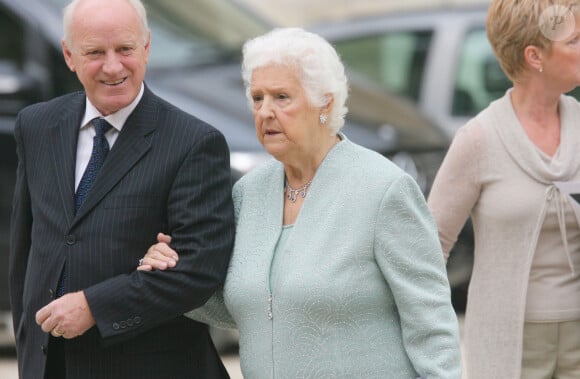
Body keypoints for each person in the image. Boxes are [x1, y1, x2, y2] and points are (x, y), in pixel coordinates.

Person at [140, 27, 462, 378]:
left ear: (325, 102)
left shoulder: (384, 190)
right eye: (257, 97)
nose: (265, 111)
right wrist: (174, 271)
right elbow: (252, 308)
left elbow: (432, 325)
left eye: (281, 97)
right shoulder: (247, 194)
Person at [8, 0, 235, 378]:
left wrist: (95, 307)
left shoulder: (194, 142)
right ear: (69, 55)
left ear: (146, 48)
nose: (113, 66)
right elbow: (26, 253)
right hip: (50, 365)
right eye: (95, 52)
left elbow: (199, 270)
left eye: (125, 49)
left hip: (145, 366)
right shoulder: (36, 125)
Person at [427, 1, 580, 378]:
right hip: (508, 348)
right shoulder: (479, 140)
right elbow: (427, 250)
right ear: (535, 56)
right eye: (575, 40)